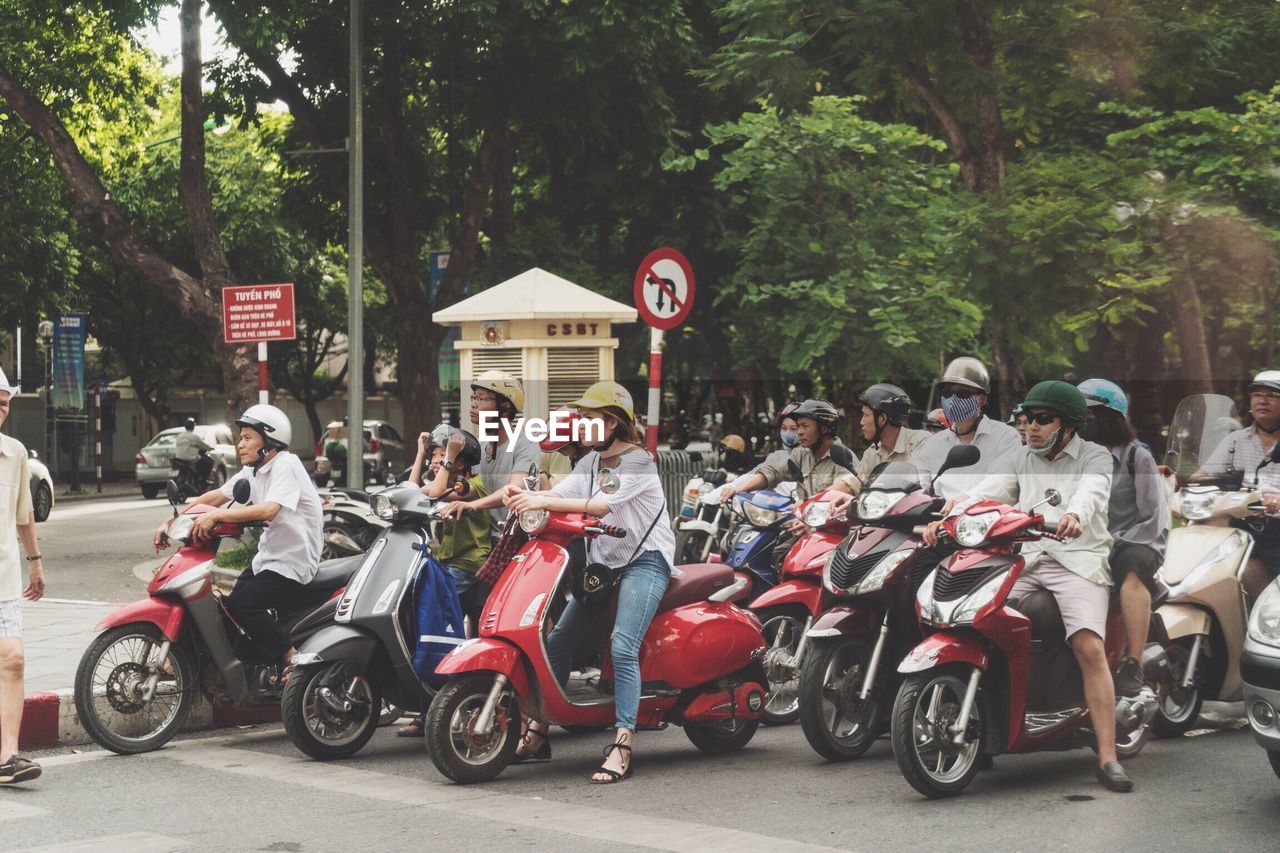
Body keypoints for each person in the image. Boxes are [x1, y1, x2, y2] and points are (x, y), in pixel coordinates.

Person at [926, 380, 1130, 792]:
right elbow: (988, 492)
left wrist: (1074, 515)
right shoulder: (1022, 457)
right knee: (979, 622)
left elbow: (1091, 494)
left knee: (1088, 645)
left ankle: (1108, 756)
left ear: (1068, 425)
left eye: (1042, 419)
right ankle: (986, 723)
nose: (1031, 427)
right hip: (1028, 559)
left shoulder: (1095, 457)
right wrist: (949, 511)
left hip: (1078, 561)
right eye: (1027, 419)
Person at [505, 381, 676, 783]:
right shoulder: (591, 464)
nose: (581, 427)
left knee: (622, 645)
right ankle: (538, 734)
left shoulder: (638, 461)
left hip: (644, 563)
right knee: (558, 642)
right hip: (604, 568)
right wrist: (526, 493)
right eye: (581, 419)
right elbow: (562, 494)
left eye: (589, 420)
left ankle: (622, 744)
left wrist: (543, 501)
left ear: (613, 423)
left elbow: (600, 505)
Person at [155, 404, 323, 666]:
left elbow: (269, 510)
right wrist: (172, 520)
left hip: (294, 562)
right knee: (229, 607)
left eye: (247, 438)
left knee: (245, 604)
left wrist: (218, 516)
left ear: (269, 442)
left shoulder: (286, 464)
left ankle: (290, 658)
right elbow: (217, 496)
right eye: (240, 438)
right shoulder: (253, 470)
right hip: (269, 559)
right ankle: (244, 664)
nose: (240, 445)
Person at [1077, 379, 1168, 698]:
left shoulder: (1136, 457)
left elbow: (1152, 516)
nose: (1082, 423)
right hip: (1086, 543)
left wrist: (1114, 543)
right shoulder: (1075, 458)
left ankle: (1135, 661)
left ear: (1110, 418)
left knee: (1130, 568)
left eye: (1088, 416)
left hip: (1136, 541)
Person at [0, 369, 46, 785]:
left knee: (12, 659)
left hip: (3, 577)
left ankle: (8, 758)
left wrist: (35, 560)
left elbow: (24, 513)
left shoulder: (14, 453)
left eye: (3, 402)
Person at [1200, 370, 1280, 601]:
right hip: (1241, 526)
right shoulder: (1236, 440)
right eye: (1257, 394)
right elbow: (1204, 474)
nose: (1262, 400)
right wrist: (1179, 481)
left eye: (1272, 395)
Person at [440, 371, 539, 537]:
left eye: (482, 398)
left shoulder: (525, 445)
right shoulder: (480, 445)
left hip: (521, 537)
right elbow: (474, 489)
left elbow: (513, 490)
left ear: (505, 407)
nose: (474, 404)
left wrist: (473, 505)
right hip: (489, 539)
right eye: (474, 398)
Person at [913, 357, 1022, 500]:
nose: (952, 400)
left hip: (984, 518)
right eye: (947, 393)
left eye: (962, 394)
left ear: (981, 399)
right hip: (939, 518)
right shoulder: (934, 443)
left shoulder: (1005, 436)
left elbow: (1003, 482)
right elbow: (918, 481)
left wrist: (967, 498)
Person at [831, 384, 930, 511]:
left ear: (882, 419)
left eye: (865, 415)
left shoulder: (920, 442)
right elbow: (855, 482)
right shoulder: (872, 453)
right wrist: (818, 499)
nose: (861, 422)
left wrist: (858, 502)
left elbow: (912, 484)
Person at [538, 408, 590, 489]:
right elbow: (532, 466)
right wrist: (542, 477)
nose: (557, 449)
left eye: (563, 446)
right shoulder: (553, 452)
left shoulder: (595, 461)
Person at [173, 418, 213, 489]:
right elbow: (203, 445)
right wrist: (210, 448)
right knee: (208, 462)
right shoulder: (194, 437)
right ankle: (203, 480)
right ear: (193, 427)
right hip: (190, 458)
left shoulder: (179, 436)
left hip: (178, 458)